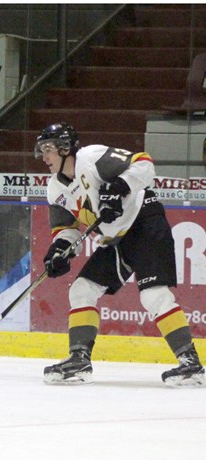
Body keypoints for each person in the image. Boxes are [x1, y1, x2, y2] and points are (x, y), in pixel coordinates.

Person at [35, 122, 204, 387]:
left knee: (153, 295)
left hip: (145, 223)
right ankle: (79, 359)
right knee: (81, 289)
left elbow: (144, 163)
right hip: (116, 239)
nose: (43, 156)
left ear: (66, 148)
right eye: (41, 150)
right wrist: (59, 250)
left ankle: (190, 363)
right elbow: (66, 229)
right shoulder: (55, 189)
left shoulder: (91, 158)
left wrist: (119, 187)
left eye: (48, 149)